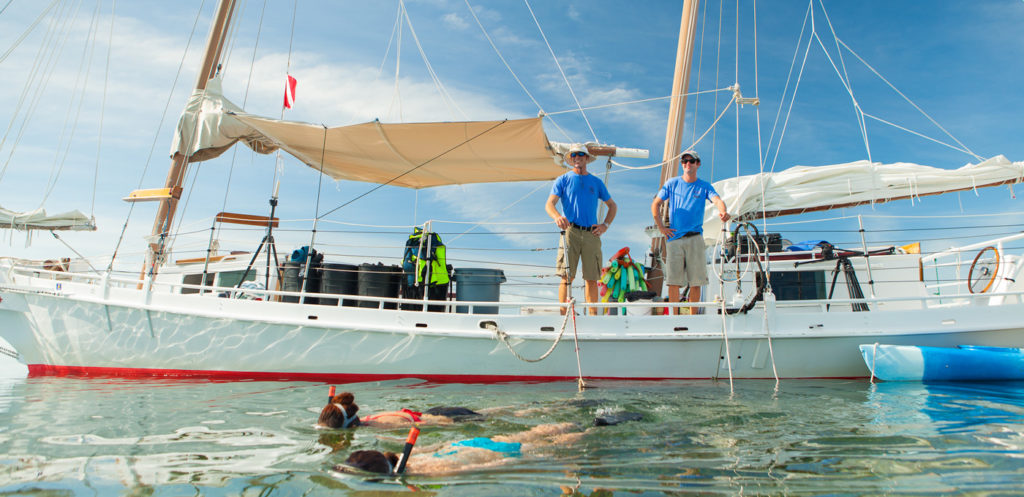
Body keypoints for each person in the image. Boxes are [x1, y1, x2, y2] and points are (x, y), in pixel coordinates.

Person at [650, 150, 730, 315]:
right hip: (674, 239)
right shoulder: (672, 184)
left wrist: (723, 211)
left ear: (698, 164)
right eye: (684, 161)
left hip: (695, 238)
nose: (687, 164)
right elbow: (656, 203)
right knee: (673, 282)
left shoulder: (704, 186)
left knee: (696, 281)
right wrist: (661, 227)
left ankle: (693, 318)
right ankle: (674, 318)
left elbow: (717, 200)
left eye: (691, 161)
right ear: (682, 164)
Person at [545, 143, 617, 315]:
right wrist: (557, 217)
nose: (577, 158)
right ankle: (563, 315)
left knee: (592, 278)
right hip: (570, 231)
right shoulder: (562, 180)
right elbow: (549, 204)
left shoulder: (596, 182)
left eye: (580, 155)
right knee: (566, 276)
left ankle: (593, 317)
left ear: (586, 159)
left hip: (592, 234)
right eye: (574, 155)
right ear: (571, 159)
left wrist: (605, 225)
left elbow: (612, 206)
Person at [318, 391, 480, 429]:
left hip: (444, 416)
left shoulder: (384, 424)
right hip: (430, 411)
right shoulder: (368, 421)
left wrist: (456, 424)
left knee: (489, 415)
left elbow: (431, 423)